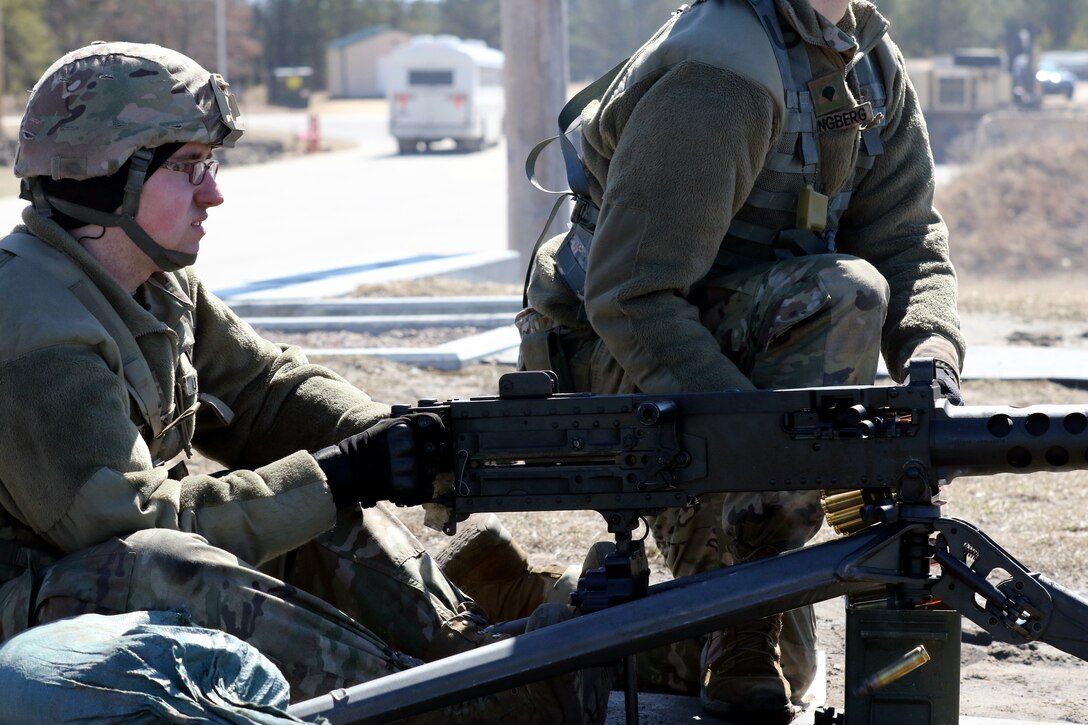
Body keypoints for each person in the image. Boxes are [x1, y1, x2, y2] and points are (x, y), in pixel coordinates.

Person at [0, 41, 610, 723]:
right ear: (105, 177)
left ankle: (465, 653)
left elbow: (267, 393)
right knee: (167, 558)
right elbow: (131, 524)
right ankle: (444, 704)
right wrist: (338, 474)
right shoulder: (35, 332)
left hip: (69, 604)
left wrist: (399, 439)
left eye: (211, 162)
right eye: (187, 166)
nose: (215, 191)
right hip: (28, 630)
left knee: (307, 500)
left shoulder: (152, 283)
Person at [519, 0, 965, 721]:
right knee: (846, 295)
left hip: (729, 356)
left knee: (780, 667)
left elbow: (908, 235)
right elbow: (632, 294)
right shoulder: (721, 71)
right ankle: (709, 612)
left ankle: (581, 607)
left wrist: (932, 361)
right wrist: (767, 449)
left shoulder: (866, 59)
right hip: (623, 362)